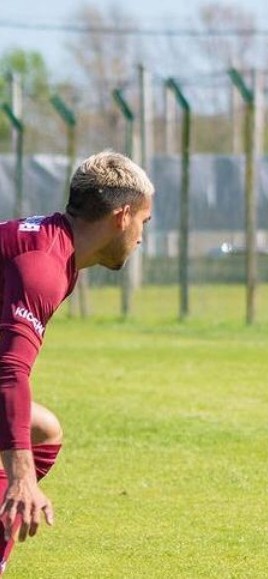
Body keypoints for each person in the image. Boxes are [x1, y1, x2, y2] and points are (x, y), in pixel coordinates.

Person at [0, 151, 154, 573]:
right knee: (31, 443)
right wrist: (21, 478)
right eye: (145, 221)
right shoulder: (44, 267)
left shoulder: (51, 246)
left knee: (42, 431)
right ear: (122, 216)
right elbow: (10, 372)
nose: (142, 237)